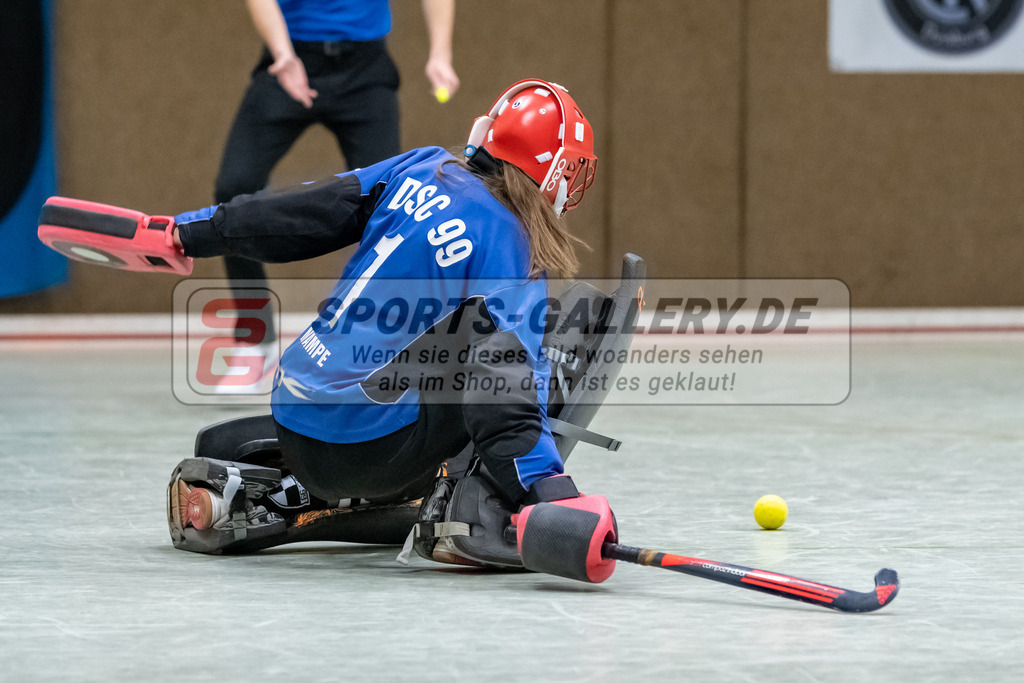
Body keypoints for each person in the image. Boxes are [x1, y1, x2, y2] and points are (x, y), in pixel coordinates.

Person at [37, 79, 628, 584]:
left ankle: (305, 484)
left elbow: (301, 212)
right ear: (552, 174)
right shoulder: (512, 246)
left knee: (447, 347)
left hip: (296, 417)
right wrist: (551, 496)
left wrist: (184, 234)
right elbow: (501, 386)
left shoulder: (419, 166)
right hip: (371, 454)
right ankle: (476, 510)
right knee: (540, 338)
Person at [217, 0, 459, 352]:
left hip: (365, 70)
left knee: (391, 201)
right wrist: (282, 53)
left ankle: (375, 340)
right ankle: (254, 339)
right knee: (234, 187)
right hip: (290, 60)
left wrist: (440, 52)